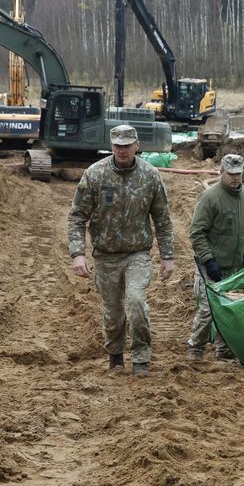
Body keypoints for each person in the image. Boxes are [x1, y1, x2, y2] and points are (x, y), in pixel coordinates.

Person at [67, 125, 175, 376]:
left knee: (136, 302)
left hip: (138, 253)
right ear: (111, 146)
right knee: (113, 313)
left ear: (137, 146)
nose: (122, 150)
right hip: (106, 256)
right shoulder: (95, 174)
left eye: (127, 145)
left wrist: (167, 255)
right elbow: (77, 217)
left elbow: (162, 218)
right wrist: (78, 253)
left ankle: (141, 358)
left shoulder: (150, 176)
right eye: (118, 146)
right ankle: (115, 356)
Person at [187, 153, 244, 360]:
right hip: (210, 266)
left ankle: (224, 349)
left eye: (238, 174)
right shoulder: (210, 197)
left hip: (233, 267)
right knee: (208, 310)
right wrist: (208, 259)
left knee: (228, 308)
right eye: (230, 174)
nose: (235, 178)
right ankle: (195, 347)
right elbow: (196, 233)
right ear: (221, 172)